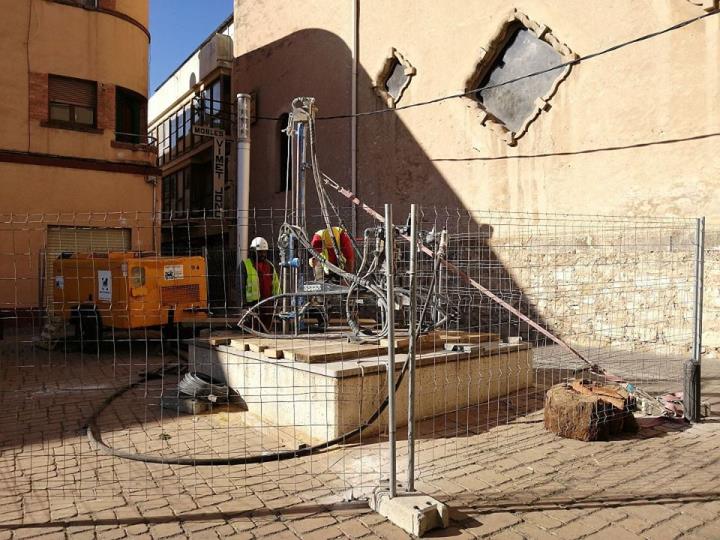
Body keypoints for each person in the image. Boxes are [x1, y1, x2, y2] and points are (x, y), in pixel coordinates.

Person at [240, 236, 280, 305]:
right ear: (253, 251)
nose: (263, 254)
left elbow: (276, 286)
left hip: (269, 305)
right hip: (252, 306)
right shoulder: (245, 265)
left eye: (265, 252)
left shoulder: (270, 266)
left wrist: (279, 303)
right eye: (260, 252)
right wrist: (243, 305)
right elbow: (240, 288)